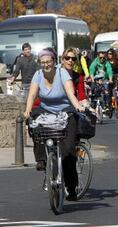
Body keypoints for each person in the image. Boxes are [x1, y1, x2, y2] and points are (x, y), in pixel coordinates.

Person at [24, 49, 85, 201]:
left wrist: (77, 105)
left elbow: (71, 92)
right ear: (40, 64)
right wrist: (27, 111)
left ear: (54, 61)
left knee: (67, 152)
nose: (46, 65)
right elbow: (32, 94)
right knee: (35, 127)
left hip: (66, 113)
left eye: (48, 62)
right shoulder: (38, 75)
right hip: (47, 112)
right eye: (43, 62)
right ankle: (43, 162)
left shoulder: (62, 73)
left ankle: (71, 188)